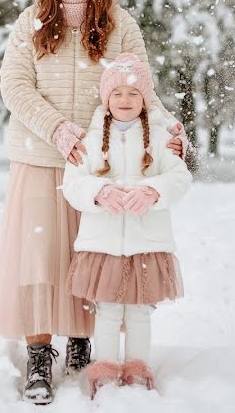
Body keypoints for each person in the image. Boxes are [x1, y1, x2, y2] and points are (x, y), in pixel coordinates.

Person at [0, 0, 189, 405]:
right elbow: (14, 85)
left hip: (100, 163)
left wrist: (169, 129)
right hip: (39, 156)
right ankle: (39, 353)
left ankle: (82, 341)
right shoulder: (30, 20)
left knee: (90, 257)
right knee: (40, 259)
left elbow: (143, 88)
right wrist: (55, 126)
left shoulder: (119, 24)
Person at [61, 53, 191, 397]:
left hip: (146, 241)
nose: (125, 100)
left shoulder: (161, 139)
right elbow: (73, 184)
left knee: (138, 311)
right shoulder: (89, 141)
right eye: (117, 93)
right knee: (107, 310)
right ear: (106, 98)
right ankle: (105, 366)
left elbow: (180, 177)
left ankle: (136, 366)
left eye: (134, 94)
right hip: (103, 243)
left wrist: (153, 191)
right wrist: (99, 191)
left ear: (145, 99)